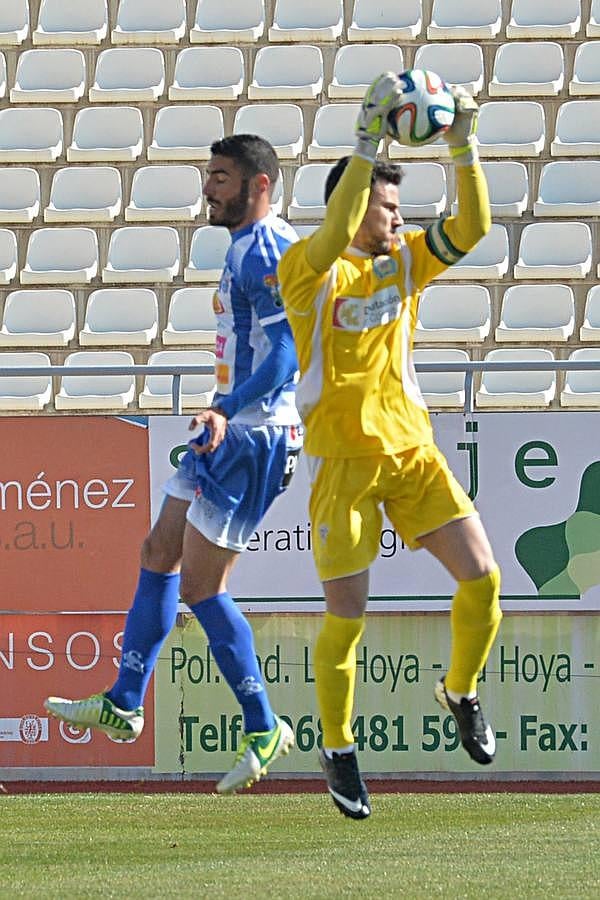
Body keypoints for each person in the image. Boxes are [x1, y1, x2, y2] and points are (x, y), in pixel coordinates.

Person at [45, 134, 303, 794]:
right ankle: (125, 702)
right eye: (208, 175)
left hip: (254, 437)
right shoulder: (245, 248)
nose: (209, 189)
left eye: (221, 177)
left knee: (200, 587)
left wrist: (228, 408)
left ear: (260, 185)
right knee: (158, 549)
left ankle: (264, 724)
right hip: (228, 428)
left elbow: (284, 356)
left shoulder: (267, 250)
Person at [278, 74, 502, 819]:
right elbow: (337, 231)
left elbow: (474, 227)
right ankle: (338, 748)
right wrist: (365, 146)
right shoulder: (307, 272)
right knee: (347, 619)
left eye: (399, 206)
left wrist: (463, 143)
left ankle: (461, 690)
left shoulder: (406, 260)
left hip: (412, 453)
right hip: (340, 464)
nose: (397, 217)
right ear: (351, 207)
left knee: (483, 580)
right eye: (386, 204)